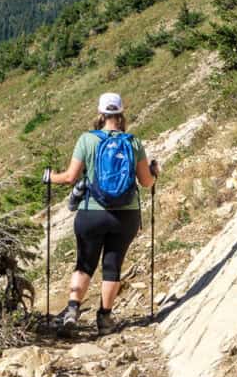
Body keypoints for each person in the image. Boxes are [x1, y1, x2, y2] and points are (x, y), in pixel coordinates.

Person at [44, 92, 158, 335]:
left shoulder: (87, 140)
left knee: (84, 264)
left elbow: (70, 177)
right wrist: (155, 172)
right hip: (125, 215)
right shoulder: (132, 142)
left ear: (101, 113)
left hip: (91, 213)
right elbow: (146, 182)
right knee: (112, 267)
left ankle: (73, 310)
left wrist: (49, 176)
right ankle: (104, 319)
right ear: (121, 113)